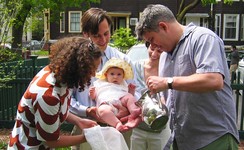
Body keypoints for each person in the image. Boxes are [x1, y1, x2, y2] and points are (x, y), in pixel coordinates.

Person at [135, 4, 239, 150]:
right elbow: (170, 98)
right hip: (182, 140)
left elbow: (214, 80)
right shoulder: (165, 56)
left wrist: (167, 82)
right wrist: (145, 111)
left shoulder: (202, 38)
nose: (153, 46)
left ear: (163, 26)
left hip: (213, 139)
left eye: (152, 39)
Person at [8, 36, 102, 149]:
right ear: (78, 68)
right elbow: (51, 141)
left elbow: (58, 109)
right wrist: (87, 137)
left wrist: (79, 121)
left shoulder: (59, 75)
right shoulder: (47, 95)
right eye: (92, 69)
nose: (93, 74)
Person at [69, 8, 137, 149]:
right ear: (86, 34)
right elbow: (67, 99)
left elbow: (136, 91)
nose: (103, 40)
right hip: (86, 127)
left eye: (106, 33)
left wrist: (127, 108)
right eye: (97, 36)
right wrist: (87, 110)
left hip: (119, 128)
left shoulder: (123, 60)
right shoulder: (75, 64)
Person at [130, 42, 171, 150]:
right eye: (152, 48)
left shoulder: (168, 72)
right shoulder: (136, 67)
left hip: (160, 129)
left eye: (159, 51)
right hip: (138, 128)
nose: (154, 54)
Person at [89, 57, 141, 132]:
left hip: (121, 100)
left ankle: (134, 111)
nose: (115, 77)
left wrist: (131, 90)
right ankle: (117, 123)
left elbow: (130, 96)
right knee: (102, 110)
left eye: (119, 74)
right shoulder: (100, 83)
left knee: (129, 97)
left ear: (123, 76)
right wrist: (92, 93)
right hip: (107, 103)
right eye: (112, 74)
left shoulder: (123, 84)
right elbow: (94, 97)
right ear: (106, 75)